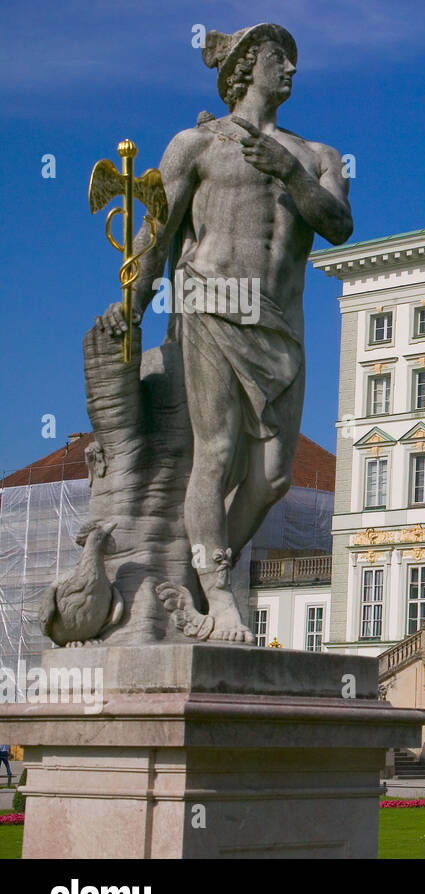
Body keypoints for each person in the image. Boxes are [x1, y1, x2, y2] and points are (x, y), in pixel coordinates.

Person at [97, 23, 352, 641]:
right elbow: (158, 232)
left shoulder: (317, 156)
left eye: (293, 61)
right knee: (213, 451)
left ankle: (206, 568)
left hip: (281, 323)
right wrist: (131, 299)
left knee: (272, 478)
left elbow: (339, 226)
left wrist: (289, 175)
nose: (290, 70)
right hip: (209, 299)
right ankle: (216, 589)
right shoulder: (195, 145)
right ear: (244, 68)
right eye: (278, 60)